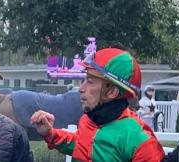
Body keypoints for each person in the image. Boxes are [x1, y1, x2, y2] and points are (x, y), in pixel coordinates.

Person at [31, 48, 164, 162]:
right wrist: (50, 133)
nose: (80, 88)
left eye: (90, 81)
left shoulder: (140, 140)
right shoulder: (88, 120)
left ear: (112, 91)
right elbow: (81, 144)